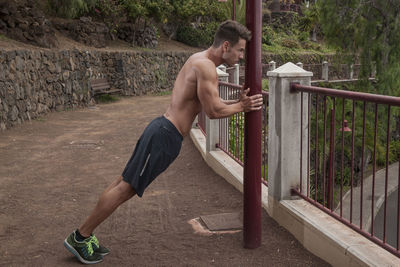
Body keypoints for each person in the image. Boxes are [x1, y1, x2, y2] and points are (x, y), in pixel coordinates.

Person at [64, 20, 264, 264]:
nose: (241, 56)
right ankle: (81, 236)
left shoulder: (198, 59)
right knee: (125, 189)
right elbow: (212, 111)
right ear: (226, 46)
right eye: (240, 50)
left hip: (161, 129)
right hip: (165, 135)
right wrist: (242, 106)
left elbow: (201, 102)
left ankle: (85, 234)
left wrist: (235, 100)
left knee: (122, 183)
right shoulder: (207, 67)